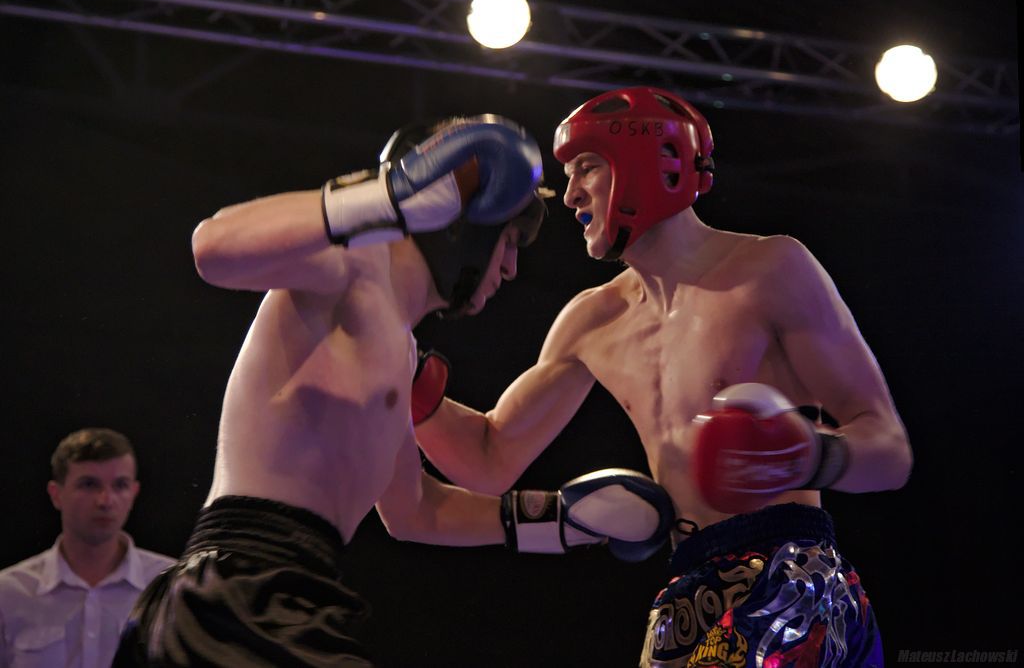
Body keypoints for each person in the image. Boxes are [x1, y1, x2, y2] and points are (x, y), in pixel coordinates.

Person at [112, 115, 675, 667]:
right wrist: (391, 196)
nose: (509, 269)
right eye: (508, 241)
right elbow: (213, 247)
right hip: (239, 590)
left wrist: (560, 522)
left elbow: (415, 511)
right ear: (462, 225)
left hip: (282, 594)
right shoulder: (354, 265)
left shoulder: (400, 350)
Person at [412, 87, 913, 667]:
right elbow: (488, 456)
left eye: (586, 167)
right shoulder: (592, 319)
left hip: (792, 578)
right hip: (688, 589)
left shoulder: (769, 269)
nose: (570, 194)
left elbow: (890, 452)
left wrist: (808, 456)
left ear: (649, 162)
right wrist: (406, 378)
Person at [0, 428, 175, 668]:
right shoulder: (9, 593)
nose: (105, 500)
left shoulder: (169, 587)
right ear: (56, 494)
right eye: (89, 484)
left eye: (120, 485)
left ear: (134, 493)